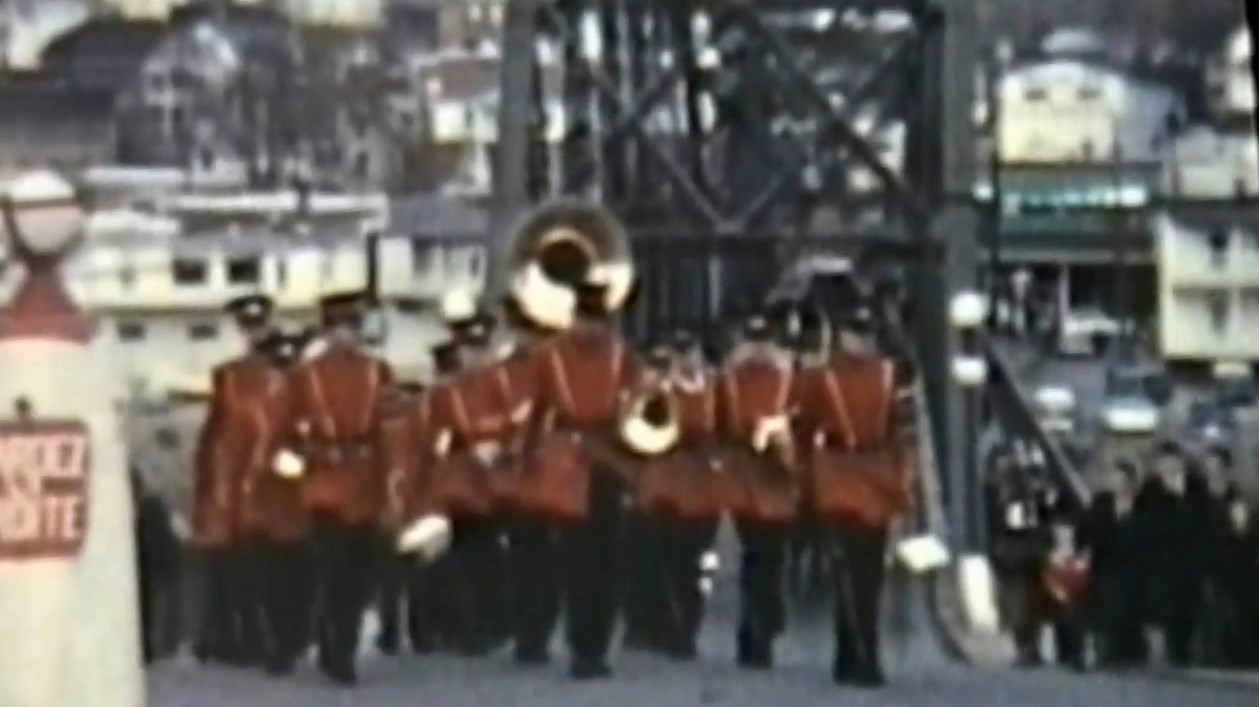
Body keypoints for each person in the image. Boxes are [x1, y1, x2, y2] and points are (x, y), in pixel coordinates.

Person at [272, 290, 394, 685]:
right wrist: (298, 471)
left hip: (364, 479)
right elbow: (282, 436)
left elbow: (387, 430)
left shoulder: (377, 371)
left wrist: (389, 485)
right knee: (334, 569)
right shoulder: (304, 377)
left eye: (352, 327)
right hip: (323, 480)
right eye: (339, 328)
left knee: (358, 575)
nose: (346, 336)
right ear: (327, 331)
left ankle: (341, 641)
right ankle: (335, 648)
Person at [525, 280, 639, 679]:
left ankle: (596, 645)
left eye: (599, 322)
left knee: (605, 559)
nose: (592, 330)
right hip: (567, 462)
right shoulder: (548, 357)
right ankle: (579, 647)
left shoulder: (622, 357)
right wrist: (529, 459)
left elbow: (638, 410)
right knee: (575, 561)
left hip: (608, 460)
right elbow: (535, 412)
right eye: (585, 321)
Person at [792, 306, 911, 687]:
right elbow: (803, 425)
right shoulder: (822, 376)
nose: (860, 341)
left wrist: (903, 479)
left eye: (865, 332)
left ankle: (854, 648)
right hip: (841, 475)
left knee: (867, 573)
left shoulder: (888, 376)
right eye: (855, 332)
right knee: (848, 570)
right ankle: (860, 651)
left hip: (865, 477)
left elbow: (902, 431)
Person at [190, 293, 277, 667]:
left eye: (258, 324)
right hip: (232, 491)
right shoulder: (228, 376)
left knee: (269, 571)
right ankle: (232, 638)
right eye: (247, 326)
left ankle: (266, 639)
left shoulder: (287, 370)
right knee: (232, 571)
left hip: (271, 488)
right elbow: (213, 438)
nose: (253, 334)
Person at [426, 310, 514, 655]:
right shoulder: (446, 393)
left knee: (492, 560)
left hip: (498, 483)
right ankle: (466, 628)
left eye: (482, 347)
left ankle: (494, 624)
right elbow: (434, 439)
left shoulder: (504, 388)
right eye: (469, 348)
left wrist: (503, 448)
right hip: (461, 486)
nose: (476, 356)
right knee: (463, 560)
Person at [715, 313, 798, 670]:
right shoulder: (780, 376)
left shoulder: (735, 377)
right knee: (761, 555)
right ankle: (759, 627)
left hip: (768, 474)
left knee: (764, 556)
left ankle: (759, 625)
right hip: (755, 475)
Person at [231, 330, 315, 676]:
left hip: (298, 509)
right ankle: (279, 647)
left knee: (296, 586)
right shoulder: (251, 404)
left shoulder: (305, 400)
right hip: (265, 510)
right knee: (272, 588)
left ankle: (290, 644)